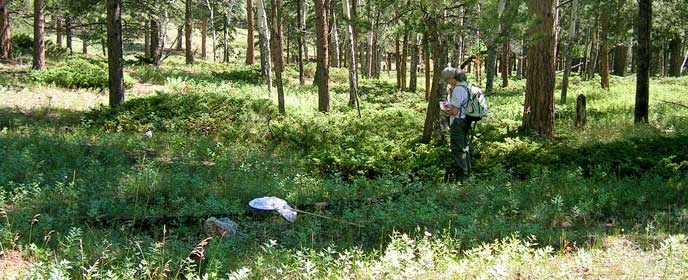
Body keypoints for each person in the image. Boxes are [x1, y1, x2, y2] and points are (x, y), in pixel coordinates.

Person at [441, 66, 471, 182]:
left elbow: (454, 111)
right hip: (465, 120)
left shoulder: (458, 89)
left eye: (447, 80)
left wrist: (443, 110)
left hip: (458, 122)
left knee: (458, 150)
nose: (447, 82)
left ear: (452, 78)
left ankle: (462, 179)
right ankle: (467, 175)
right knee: (464, 148)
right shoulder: (465, 85)